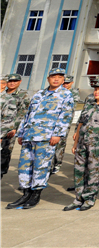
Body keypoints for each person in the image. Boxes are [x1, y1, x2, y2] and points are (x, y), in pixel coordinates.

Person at [6, 68, 74, 210]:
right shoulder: (39, 94)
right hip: (29, 136)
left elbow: (65, 116)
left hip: (46, 137)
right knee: (25, 166)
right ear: (48, 78)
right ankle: (25, 193)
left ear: (63, 80)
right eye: (53, 77)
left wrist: (57, 134)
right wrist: (22, 132)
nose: (56, 79)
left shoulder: (66, 95)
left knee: (40, 166)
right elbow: (28, 114)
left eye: (59, 77)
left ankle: (35, 195)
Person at [63, 76, 99, 211]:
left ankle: (89, 199)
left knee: (93, 172)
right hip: (82, 143)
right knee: (79, 171)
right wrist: (75, 143)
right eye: (95, 90)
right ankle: (78, 198)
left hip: (98, 144)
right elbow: (81, 123)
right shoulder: (89, 104)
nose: (97, 92)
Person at [2, 73, 30, 178]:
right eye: (10, 81)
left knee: (5, 151)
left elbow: (22, 113)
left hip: (10, 129)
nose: (12, 83)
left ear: (20, 82)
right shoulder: (2, 93)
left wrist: (14, 128)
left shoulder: (23, 95)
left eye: (15, 81)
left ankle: (1, 172)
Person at [51, 74, 80, 174]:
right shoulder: (56, 91)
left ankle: (57, 163)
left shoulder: (73, 93)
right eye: (64, 83)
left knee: (60, 142)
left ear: (71, 83)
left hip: (65, 122)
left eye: (67, 83)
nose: (65, 85)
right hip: (53, 121)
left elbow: (71, 106)